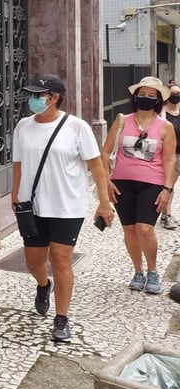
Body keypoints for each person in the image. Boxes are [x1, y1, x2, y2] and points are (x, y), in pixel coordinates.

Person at [12, 74, 114, 343]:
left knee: (60, 259)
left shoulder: (77, 127)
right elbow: (19, 164)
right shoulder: (23, 126)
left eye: (38, 95)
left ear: (54, 98)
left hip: (67, 206)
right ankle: (43, 286)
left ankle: (61, 318)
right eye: (32, 95)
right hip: (32, 206)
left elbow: (96, 166)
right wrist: (15, 194)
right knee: (34, 262)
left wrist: (104, 202)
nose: (33, 99)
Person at [100, 76, 175, 295]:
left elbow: (169, 159)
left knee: (145, 228)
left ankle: (153, 271)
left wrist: (167, 189)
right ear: (135, 97)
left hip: (152, 183)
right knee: (130, 229)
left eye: (152, 95)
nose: (146, 98)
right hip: (122, 183)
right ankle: (138, 271)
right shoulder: (123, 120)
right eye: (142, 94)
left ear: (158, 100)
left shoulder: (165, 126)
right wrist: (106, 181)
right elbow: (104, 152)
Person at [159, 81, 180, 230]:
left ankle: (165, 214)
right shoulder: (162, 113)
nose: (177, 96)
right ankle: (166, 215)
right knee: (169, 185)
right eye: (173, 94)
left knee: (173, 184)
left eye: (178, 93)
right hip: (169, 155)